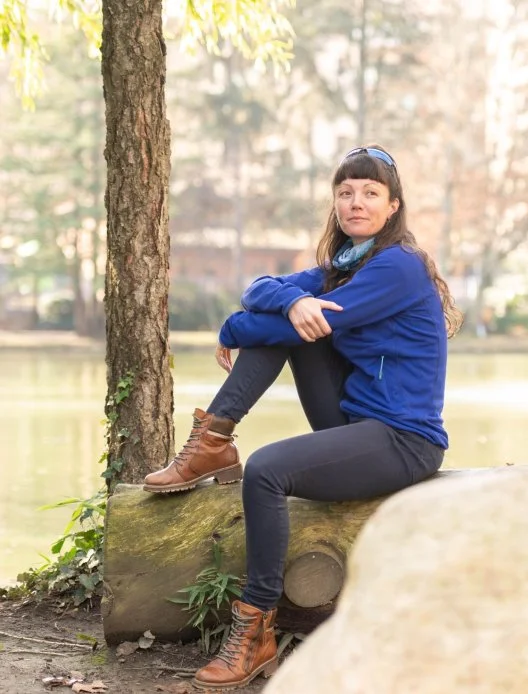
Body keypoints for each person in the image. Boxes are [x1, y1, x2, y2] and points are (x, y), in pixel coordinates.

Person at [142, 144, 462, 690]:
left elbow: (287, 324)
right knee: (290, 312)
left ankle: (255, 632)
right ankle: (213, 441)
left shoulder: (399, 267)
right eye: (345, 192)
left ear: (393, 207)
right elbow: (259, 288)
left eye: (369, 193)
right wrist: (289, 302)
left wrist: (233, 329)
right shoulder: (343, 265)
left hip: (404, 440)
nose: (355, 202)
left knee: (267, 469)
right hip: (356, 422)